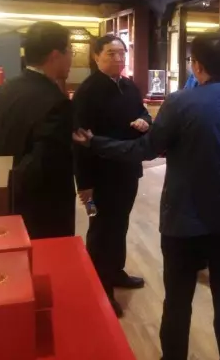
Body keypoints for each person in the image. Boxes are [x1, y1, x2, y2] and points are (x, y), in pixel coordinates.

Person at [74, 32, 220, 360]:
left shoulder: (180, 101)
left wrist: (95, 142)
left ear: (196, 66)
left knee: (177, 302)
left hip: (182, 219)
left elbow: (145, 149)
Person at [72, 34, 152, 318]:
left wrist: (145, 120)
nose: (118, 58)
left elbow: (143, 111)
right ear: (96, 56)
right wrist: (85, 185)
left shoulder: (129, 86)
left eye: (122, 53)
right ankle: (100, 289)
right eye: (110, 53)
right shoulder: (87, 92)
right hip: (98, 178)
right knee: (100, 231)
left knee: (120, 224)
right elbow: (79, 141)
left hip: (127, 170)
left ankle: (116, 272)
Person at [0, 21, 75, 239]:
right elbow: (43, 164)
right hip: (41, 211)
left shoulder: (2, 90)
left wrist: (0, 186)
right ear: (55, 55)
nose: (71, 58)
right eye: (70, 50)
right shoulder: (56, 103)